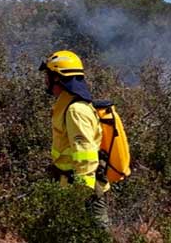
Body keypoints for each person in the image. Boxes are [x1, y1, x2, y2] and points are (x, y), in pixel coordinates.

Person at [39, 50, 110, 231]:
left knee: (96, 236)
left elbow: (85, 155)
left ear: (58, 78)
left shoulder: (75, 111)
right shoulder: (67, 105)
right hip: (68, 185)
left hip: (84, 192)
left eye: (48, 75)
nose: (45, 81)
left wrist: (80, 194)